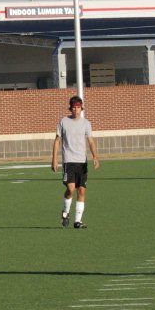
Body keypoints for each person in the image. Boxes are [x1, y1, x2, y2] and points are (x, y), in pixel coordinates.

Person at [51, 95, 99, 229]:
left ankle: (78, 221)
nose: (76, 110)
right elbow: (57, 140)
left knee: (82, 191)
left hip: (82, 162)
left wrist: (95, 156)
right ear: (70, 108)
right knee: (71, 189)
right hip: (69, 161)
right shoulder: (63, 122)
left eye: (78, 107)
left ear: (81, 108)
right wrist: (54, 159)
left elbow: (90, 141)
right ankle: (65, 212)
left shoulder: (86, 123)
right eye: (74, 107)